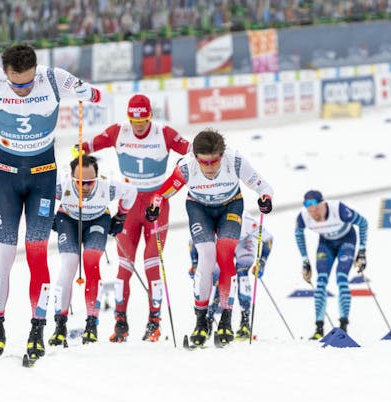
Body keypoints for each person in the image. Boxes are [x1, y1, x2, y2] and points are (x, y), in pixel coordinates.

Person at [0, 44, 102, 362]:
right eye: (16, 83)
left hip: (42, 179)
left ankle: (37, 330)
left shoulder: (54, 78)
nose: (22, 89)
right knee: (4, 255)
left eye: (27, 83)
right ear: (5, 73)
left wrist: (85, 92)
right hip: (6, 179)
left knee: (37, 254)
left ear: (36, 71)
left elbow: (95, 96)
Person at [76, 94, 191, 343]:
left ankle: (154, 322)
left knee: (151, 263)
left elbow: (192, 152)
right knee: (124, 267)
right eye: (134, 121)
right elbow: (89, 145)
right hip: (128, 203)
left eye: (143, 121)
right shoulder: (119, 131)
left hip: (156, 203)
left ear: (150, 116)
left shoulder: (165, 133)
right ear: (129, 118)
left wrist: (181, 174)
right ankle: (120, 323)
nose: (139, 126)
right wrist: (80, 150)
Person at [145, 128, 273, 346]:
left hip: (230, 207)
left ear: (222, 155)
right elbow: (162, 193)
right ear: (196, 158)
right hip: (199, 209)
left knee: (225, 255)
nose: (211, 167)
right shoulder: (186, 166)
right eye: (205, 162)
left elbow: (263, 186)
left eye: (215, 161)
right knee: (206, 256)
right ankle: (201, 321)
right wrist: (154, 206)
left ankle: (225, 320)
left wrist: (265, 200)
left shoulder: (235, 160)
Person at [49, 155, 136, 346]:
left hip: (98, 220)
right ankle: (60, 324)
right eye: (79, 182)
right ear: (71, 178)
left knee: (90, 261)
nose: (85, 187)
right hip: (68, 219)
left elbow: (131, 192)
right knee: (69, 264)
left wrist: (120, 217)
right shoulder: (61, 184)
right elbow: (40, 191)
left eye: (90, 182)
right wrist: (48, 215)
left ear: (97, 177)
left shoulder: (107, 187)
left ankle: (91, 323)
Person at [294, 190, 368, 340]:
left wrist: (361, 251)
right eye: (309, 209)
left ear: (323, 204)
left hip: (347, 240)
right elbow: (298, 234)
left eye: (315, 208)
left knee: (341, 278)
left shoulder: (339, 209)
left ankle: (343, 327)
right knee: (321, 281)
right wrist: (305, 261)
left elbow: (363, 223)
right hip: (326, 244)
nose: (313, 213)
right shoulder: (304, 217)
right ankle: (319, 328)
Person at [188, 211, 273, 340]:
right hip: (221, 243)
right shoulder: (210, 219)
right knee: (215, 275)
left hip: (243, 243)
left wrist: (261, 263)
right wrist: (195, 264)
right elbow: (193, 241)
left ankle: (245, 322)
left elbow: (268, 239)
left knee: (242, 273)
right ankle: (208, 322)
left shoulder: (247, 221)